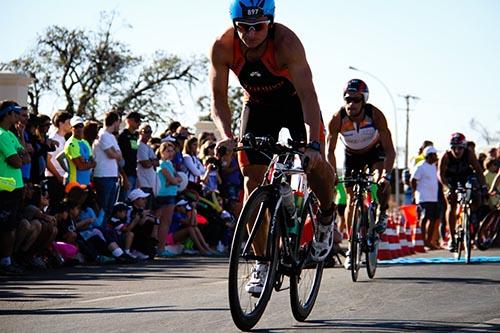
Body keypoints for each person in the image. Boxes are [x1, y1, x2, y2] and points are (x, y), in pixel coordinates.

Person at [210, 0, 337, 294]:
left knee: (314, 162)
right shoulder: (223, 46)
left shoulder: (286, 42)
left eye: (259, 27)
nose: (251, 34)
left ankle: (326, 217)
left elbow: (308, 94)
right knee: (251, 181)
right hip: (257, 107)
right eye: (244, 27)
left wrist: (314, 145)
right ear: (234, 25)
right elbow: (218, 98)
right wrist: (226, 136)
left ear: (271, 22)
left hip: (295, 105)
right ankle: (262, 261)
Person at [326, 79, 396, 269]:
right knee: (350, 199)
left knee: (380, 182)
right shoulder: (337, 118)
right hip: (352, 155)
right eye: (348, 99)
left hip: (375, 153)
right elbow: (329, 151)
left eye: (356, 100)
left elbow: (390, 150)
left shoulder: (375, 115)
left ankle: (382, 211)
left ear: (363, 100)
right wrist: (332, 174)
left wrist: (385, 176)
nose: (351, 104)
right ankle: (351, 247)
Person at [437, 132, 487, 252]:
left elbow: (479, 171)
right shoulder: (445, 156)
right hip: (450, 179)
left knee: (477, 193)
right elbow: (440, 174)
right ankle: (452, 238)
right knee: (451, 202)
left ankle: (472, 214)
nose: (457, 151)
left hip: (465, 176)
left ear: (464, 147)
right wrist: (447, 188)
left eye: (460, 148)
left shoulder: (469, 154)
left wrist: (484, 186)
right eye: (454, 148)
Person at [0, 101, 27, 275]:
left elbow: (25, 155)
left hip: (16, 187)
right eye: (15, 113)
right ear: (8, 114)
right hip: (5, 188)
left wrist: (21, 135)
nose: (18, 117)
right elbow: (17, 161)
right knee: (6, 228)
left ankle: (9, 260)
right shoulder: (2, 135)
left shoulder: (10, 134)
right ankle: (5, 262)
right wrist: (21, 156)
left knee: (12, 227)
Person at [93, 111, 123, 217]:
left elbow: (119, 155)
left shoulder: (111, 137)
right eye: (119, 121)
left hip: (112, 176)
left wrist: (115, 153)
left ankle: (105, 231)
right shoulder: (103, 135)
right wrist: (115, 153)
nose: (119, 124)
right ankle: (99, 230)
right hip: (103, 176)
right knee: (103, 207)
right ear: (115, 122)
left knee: (109, 208)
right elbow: (111, 154)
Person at [410, 146, 440, 249]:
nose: (436, 156)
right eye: (434, 155)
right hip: (423, 198)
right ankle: (421, 241)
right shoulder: (420, 166)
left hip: (433, 198)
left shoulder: (434, 166)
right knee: (424, 218)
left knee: (434, 219)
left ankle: (428, 241)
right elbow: (413, 180)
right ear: (429, 155)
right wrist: (415, 193)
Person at [156, 142, 182, 257]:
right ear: (162, 152)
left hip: (171, 194)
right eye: (168, 151)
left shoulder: (169, 164)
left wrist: (174, 180)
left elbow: (179, 178)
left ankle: (161, 247)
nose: (171, 153)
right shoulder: (162, 165)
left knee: (165, 222)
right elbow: (173, 180)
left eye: (172, 151)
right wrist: (174, 180)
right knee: (164, 223)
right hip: (165, 196)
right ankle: (160, 248)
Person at [45, 110, 72, 205]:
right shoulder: (54, 138)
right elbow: (47, 161)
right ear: (61, 123)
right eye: (68, 123)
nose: (71, 125)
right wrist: (59, 177)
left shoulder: (63, 139)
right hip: (54, 179)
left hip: (61, 179)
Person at [64, 116, 96, 186]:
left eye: (81, 126)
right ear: (71, 128)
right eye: (76, 127)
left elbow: (94, 163)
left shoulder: (85, 142)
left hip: (86, 182)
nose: (79, 129)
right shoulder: (71, 143)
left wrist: (85, 162)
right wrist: (88, 163)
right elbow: (80, 166)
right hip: (74, 183)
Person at [118, 111, 142, 200]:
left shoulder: (135, 136)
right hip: (126, 174)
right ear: (129, 121)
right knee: (124, 200)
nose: (139, 123)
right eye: (137, 121)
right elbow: (119, 159)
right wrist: (123, 176)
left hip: (133, 173)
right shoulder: (122, 136)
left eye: (140, 121)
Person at [136, 124, 160, 209]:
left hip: (151, 183)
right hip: (144, 183)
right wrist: (151, 161)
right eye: (146, 132)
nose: (148, 134)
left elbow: (157, 162)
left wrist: (151, 161)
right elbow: (145, 164)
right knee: (146, 209)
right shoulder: (140, 146)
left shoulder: (148, 146)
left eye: (150, 132)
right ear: (140, 132)